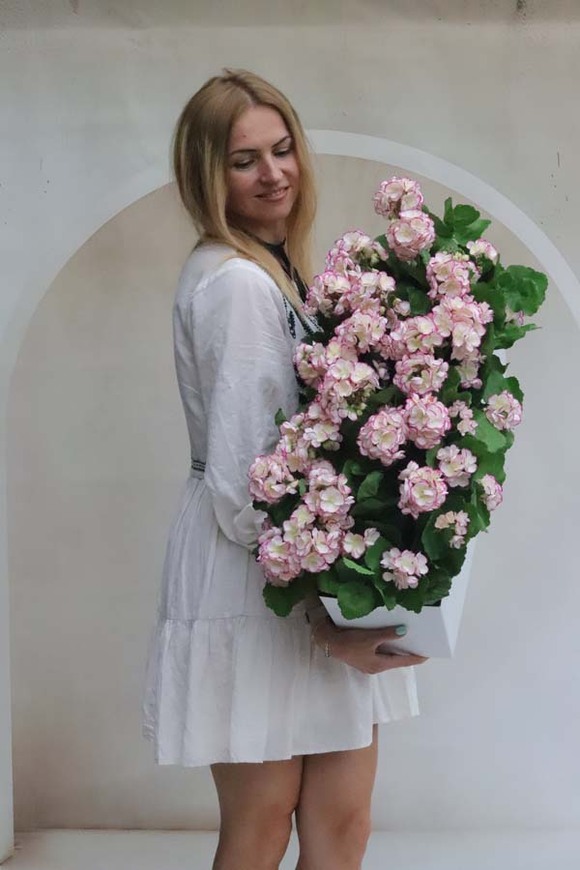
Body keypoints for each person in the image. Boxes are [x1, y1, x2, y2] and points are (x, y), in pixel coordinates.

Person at [142, 69, 426, 870]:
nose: (273, 173)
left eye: (282, 148)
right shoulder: (237, 284)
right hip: (257, 578)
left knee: (343, 822)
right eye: (244, 161)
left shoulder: (273, 269)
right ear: (207, 175)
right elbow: (245, 485)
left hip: (300, 566)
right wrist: (329, 624)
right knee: (263, 825)